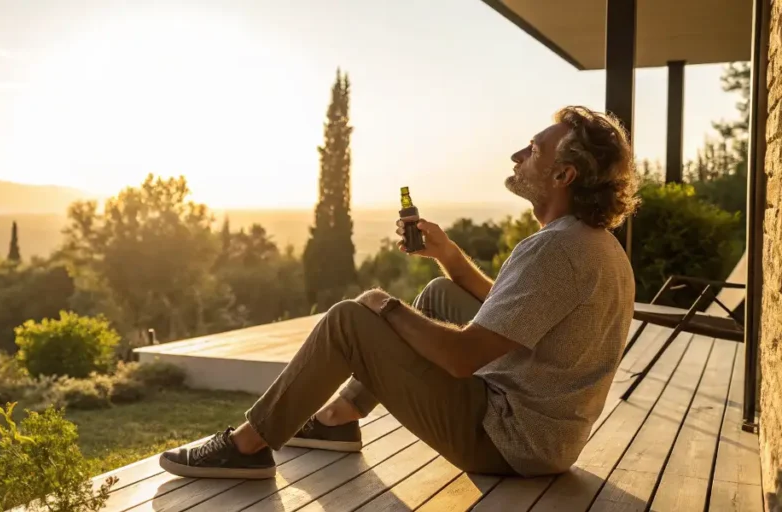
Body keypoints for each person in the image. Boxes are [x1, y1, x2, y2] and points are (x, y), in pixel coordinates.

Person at [159, 105, 640, 479]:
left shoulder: (554, 251)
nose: (518, 156)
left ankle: (247, 447)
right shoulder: (591, 244)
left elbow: (462, 358)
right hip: (547, 435)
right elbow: (516, 314)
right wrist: (449, 256)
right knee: (436, 294)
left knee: (350, 320)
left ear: (563, 175)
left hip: (507, 440)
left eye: (533, 150)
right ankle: (339, 416)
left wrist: (384, 306)